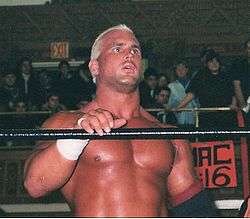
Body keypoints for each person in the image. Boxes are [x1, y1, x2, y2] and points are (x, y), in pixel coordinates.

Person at [24, 24, 216, 217]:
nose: (129, 54)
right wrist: (76, 136)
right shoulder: (65, 123)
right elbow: (35, 185)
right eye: (117, 48)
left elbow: (192, 207)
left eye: (135, 50)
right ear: (94, 66)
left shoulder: (168, 133)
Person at [175, 49, 238, 129]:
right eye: (211, 61)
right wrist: (180, 107)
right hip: (207, 116)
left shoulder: (226, 76)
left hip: (225, 115)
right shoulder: (200, 76)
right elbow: (192, 93)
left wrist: (233, 105)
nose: (214, 64)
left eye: (216, 61)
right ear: (207, 63)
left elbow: (233, 93)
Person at [168, 61, 199, 127]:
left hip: (194, 118)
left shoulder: (194, 84)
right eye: (178, 69)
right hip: (178, 118)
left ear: (187, 70)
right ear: (175, 71)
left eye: (182, 68)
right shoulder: (171, 86)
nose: (180, 71)